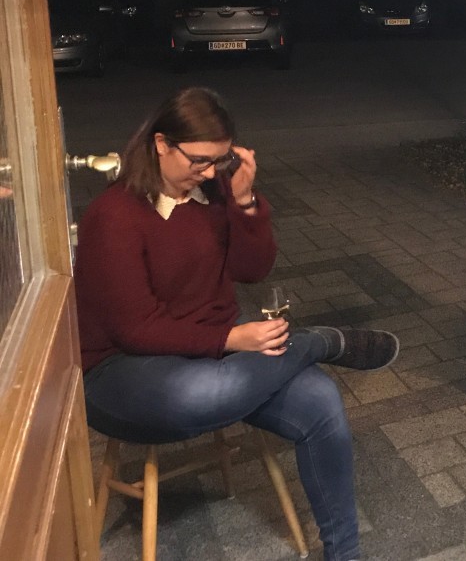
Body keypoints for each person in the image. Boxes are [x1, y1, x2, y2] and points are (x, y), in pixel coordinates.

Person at [75, 87, 400, 561]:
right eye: (200, 160)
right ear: (161, 144)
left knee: (321, 399)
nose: (210, 173)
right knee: (203, 392)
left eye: (220, 161)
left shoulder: (213, 195)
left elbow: (253, 269)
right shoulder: (114, 214)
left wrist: (245, 202)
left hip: (217, 351)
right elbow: (135, 329)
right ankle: (319, 342)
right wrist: (229, 337)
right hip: (123, 369)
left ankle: (344, 553)